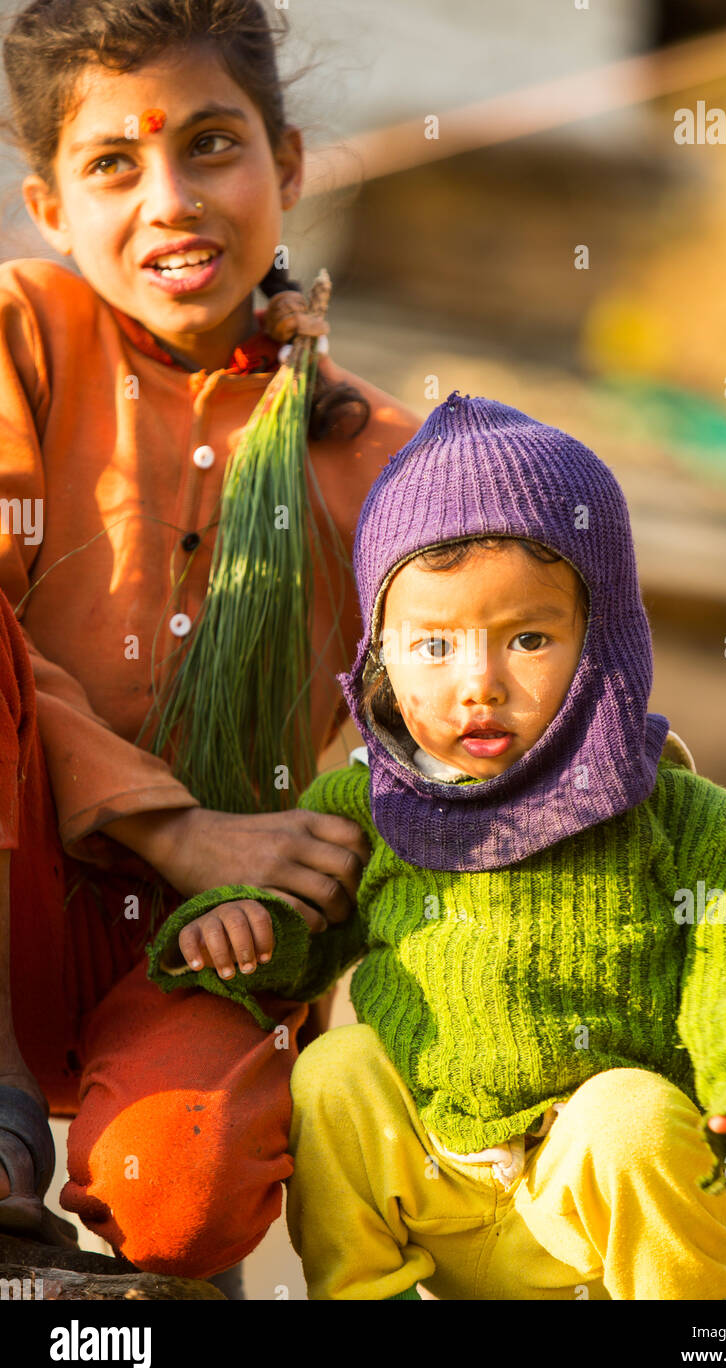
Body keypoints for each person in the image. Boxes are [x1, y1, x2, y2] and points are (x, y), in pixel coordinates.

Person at [148, 391, 726, 1300]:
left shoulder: (682, 817)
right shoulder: (364, 803)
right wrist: (242, 928)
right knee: (338, 1069)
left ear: (605, 640)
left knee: (631, 1117)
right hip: (440, 1188)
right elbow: (305, 934)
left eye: (530, 637)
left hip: (590, 1215)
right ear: (380, 656)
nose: (479, 684)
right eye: (433, 645)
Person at [0, 0, 423, 1275]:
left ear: (287, 167)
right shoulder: (25, 337)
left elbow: (481, 706)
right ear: (48, 208)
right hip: (14, 879)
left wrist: (650, 819)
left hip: (208, 943)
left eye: (212, 145)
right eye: (114, 164)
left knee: (179, 1190)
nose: (171, 198)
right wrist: (170, 823)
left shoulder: (382, 459)